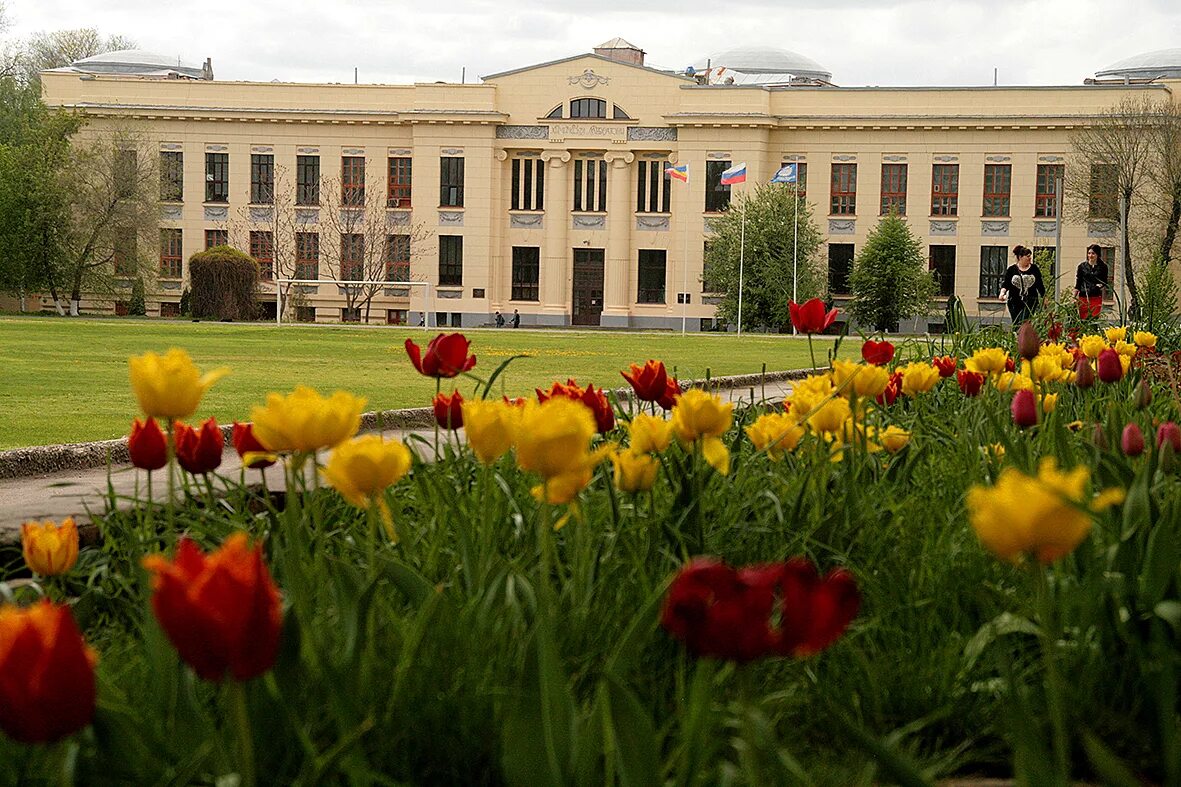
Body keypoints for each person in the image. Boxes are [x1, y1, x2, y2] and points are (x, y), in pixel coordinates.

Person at [1000, 244, 1045, 327]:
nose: (1029, 258)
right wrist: (1002, 293)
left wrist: (1044, 298)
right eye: (1027, 256)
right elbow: (1006, 284)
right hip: (1014, 301)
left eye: (1030, 256)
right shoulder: (1012, 269)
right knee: (1016, 323)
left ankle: (1023, 338)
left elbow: (1040, 285)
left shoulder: (1034, 269)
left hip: (1030, 301)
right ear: (1020, 257)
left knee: (1024, 321)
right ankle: (1017, 338)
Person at [1073, 244, 1108, 322]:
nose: (1090, 255)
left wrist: (1099, 286)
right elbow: (1078, 282)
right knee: (1083, 320)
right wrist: (1074, 297)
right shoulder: (1082, 267)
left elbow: (1104, 281)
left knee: (1093, 319)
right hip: (1083, 297)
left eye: (1093, 253)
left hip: (1095, 297)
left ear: (1097, 254)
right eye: (1089, 253)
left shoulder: (1103, 267)